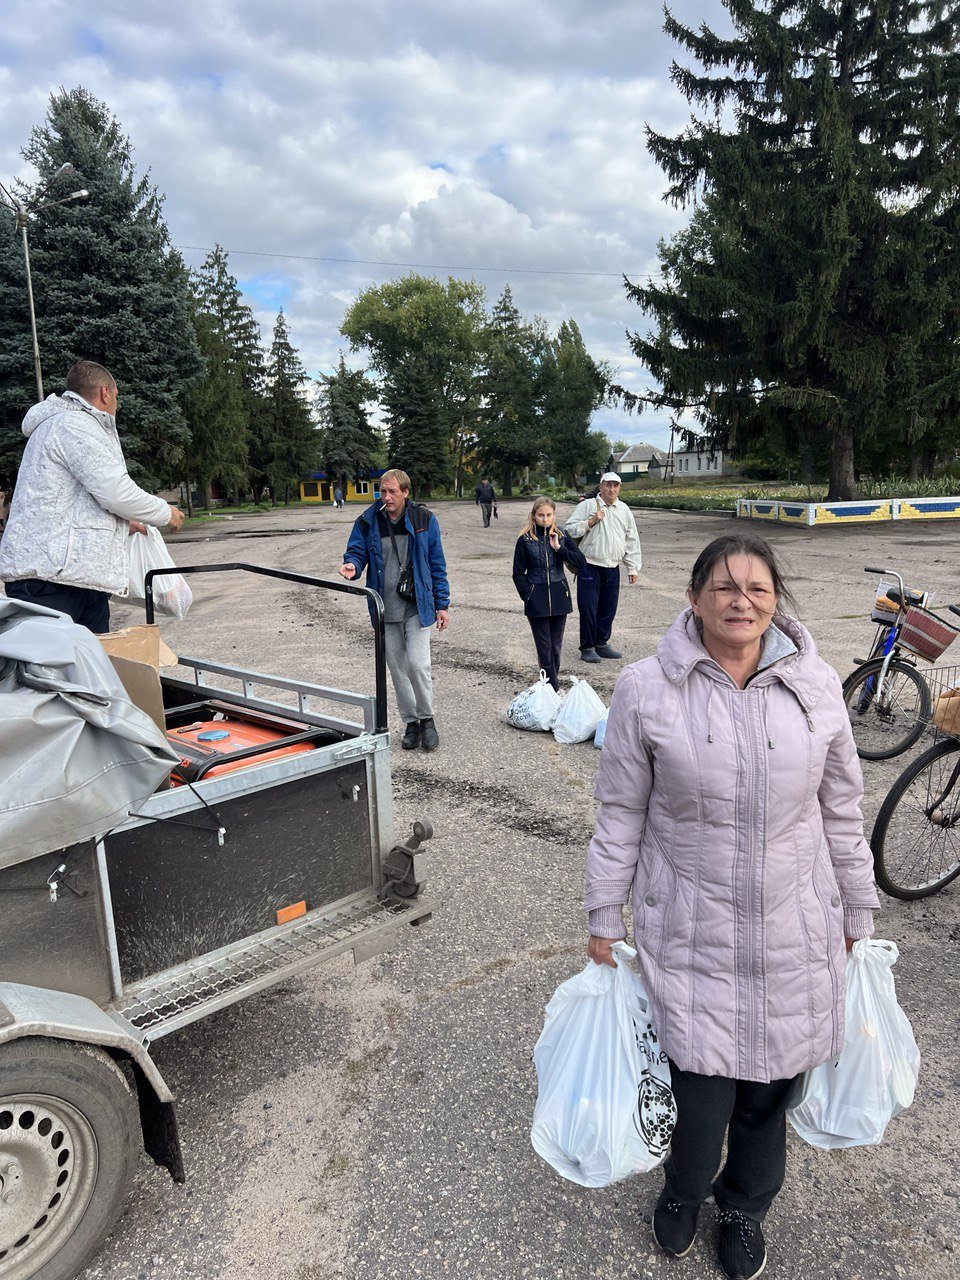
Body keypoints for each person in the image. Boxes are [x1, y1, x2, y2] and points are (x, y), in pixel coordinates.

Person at [584, 533, 880, 1280]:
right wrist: (603, 915)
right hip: (692, 929)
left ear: (775, 599)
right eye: (723, 587)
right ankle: (684, 1192)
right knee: (699, 1094)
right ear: (694, 598)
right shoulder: (648, 689)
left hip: (795, 925)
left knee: (769, 1095)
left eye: (756, 588)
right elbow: (620, 813)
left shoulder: (815, 686)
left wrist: (858, 907)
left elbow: (842, 808)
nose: (740, 601)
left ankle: (744, 1210)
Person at [0, 360, 185, 634]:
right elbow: (115, 491)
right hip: (51, 582)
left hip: (72, 577)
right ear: (105, 393)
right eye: (116, 397)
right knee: (51, 670)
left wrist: (125, 525)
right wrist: (165, 512)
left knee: (88, 668)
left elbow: (75, 501)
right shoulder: (73, 425)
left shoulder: (65, 425)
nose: (116, 407)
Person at [339, 468, 450, 751]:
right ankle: (411, 722)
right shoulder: (368, 520)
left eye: (392, 492)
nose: (386, 497)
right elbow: (357, 550)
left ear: (405, 492)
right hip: (385, 607)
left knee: (417, 664)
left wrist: (442, 604)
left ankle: (427, 719)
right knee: (398, 669)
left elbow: (437, 563)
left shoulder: (424, 519)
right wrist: (352, 564)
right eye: (382, 491)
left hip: (418, 606)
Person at [564, 471, 640, 663]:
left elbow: (631, 539)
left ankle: (601, 643)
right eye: (608, 485)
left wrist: (632, 567)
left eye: (615, 485)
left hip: (612, 567)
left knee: (608, 608)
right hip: (589, 565)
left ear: (619, 488)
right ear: (601, 486)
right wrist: (591, 521)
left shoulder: (624, 509)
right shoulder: (587, 505)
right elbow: (569, 529)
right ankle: (587, 646)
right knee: (589, 607)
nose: (611, 489)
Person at [511, 496, 586, 691]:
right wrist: (528, 595)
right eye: (541, 515)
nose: (545, 519)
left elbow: (580, 561)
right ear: (534, 516)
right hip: (536, 599)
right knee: (544, 647)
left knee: (556, 646)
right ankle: (553, 687)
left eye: (548, 515)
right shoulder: (525, 539)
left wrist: (559, 549)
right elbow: (518, 573)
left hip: (559, 595)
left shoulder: (561, 535)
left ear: (554, 515)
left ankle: (549, 684)